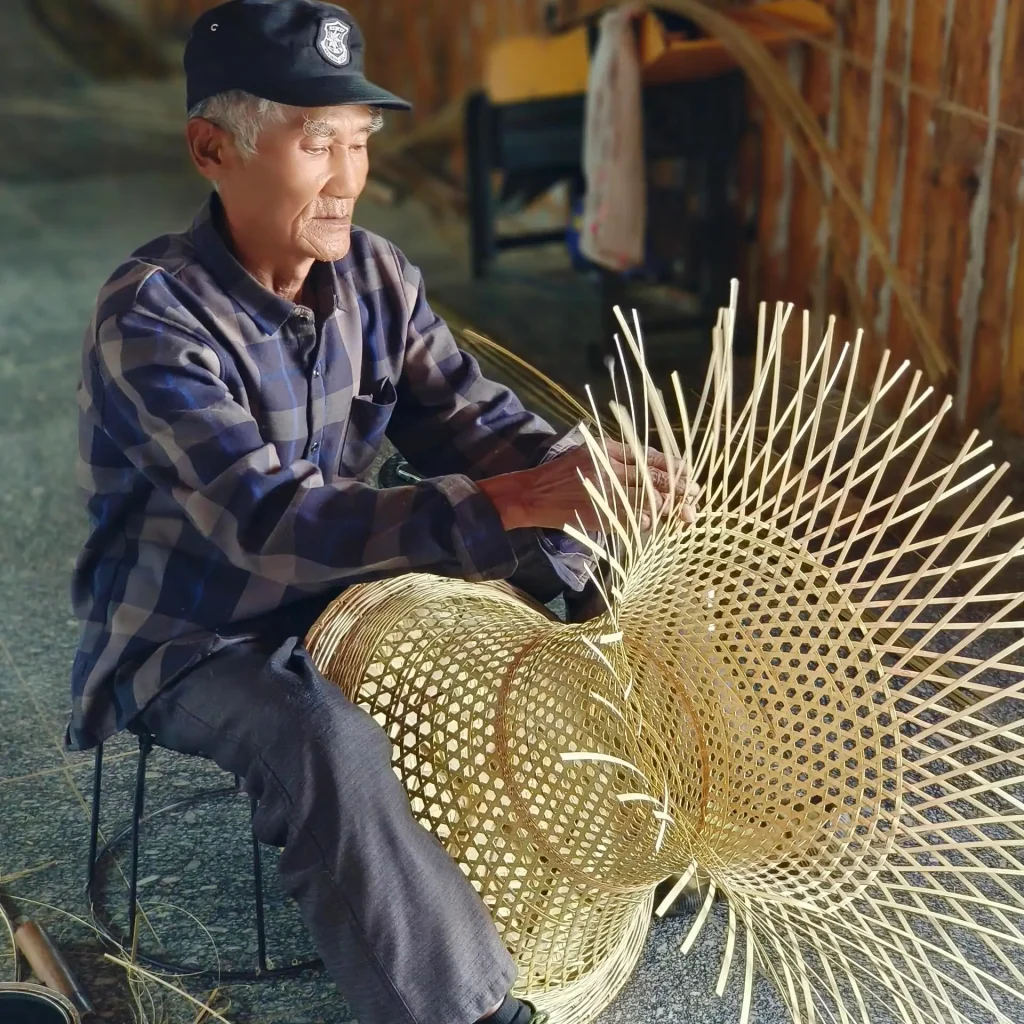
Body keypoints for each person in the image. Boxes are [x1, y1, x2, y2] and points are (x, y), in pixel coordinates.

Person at [67, 3, 691, 1022]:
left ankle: (636, 843)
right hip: (191, 628)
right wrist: (511, 499)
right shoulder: (151, 314)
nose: (350, 177)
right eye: (317, 142)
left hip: (349, 588)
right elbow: (266, 521)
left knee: (580, 576)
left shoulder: (375, 278)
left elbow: (475, 423)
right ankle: (461, 1007)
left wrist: (585, 483)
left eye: (360, 141)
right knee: (320, 732)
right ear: (210, 149)